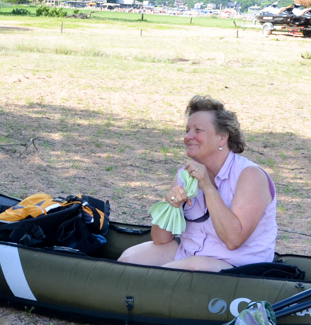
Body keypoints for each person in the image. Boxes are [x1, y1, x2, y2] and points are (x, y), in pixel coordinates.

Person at [118, 96, 276, 271]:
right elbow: (160, 239)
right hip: (189, 255)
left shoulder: (250, 175)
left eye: (198, 130)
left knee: (188, 268)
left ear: (222, 138)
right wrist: (171, 205)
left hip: (238, 265)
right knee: (129, 258)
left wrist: (207, 187)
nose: (188, 137)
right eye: (187, 130)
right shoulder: (184, 175)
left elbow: (233, 240)